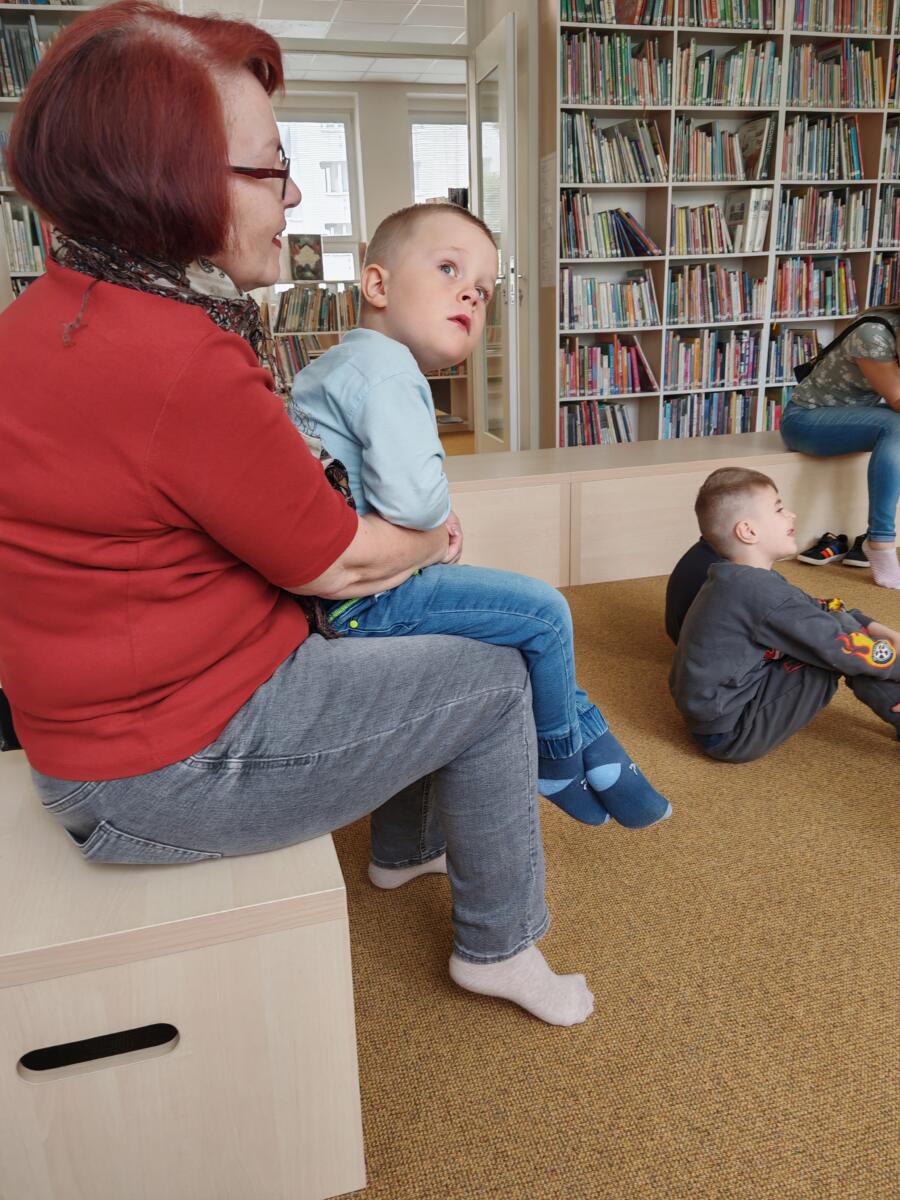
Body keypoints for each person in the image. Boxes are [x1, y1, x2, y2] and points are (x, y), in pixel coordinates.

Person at [0, 1, 595, 1027]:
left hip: (99, 733)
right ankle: (500, 942)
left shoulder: (47, 315)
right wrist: (431, 536)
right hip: (164, 765)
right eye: (271, 167)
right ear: (172, 175)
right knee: (495, 679)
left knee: (421, 650)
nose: (295, 194)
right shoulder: (180, 357)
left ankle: (407, 851)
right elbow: (337, 563)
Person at [290, 201, 671, 830]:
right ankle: (560, 756)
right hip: (371, 598)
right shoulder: (388, 371)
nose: (470, 293)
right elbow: (415, 504)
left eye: (484, 290)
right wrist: (440, 520)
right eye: (448, 268)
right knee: (545, 613)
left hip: (340, 593)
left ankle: (591, 740)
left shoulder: (335, 363)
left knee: (509, 621)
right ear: (377, 284)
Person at [670, 468, 900, 762]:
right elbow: (840, 645)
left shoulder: (736, 577)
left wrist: (875, 627)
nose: (791, 515)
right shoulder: (757, 590)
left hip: (716, 715)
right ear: (748, 531)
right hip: (731, 732)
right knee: (836, 651)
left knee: (833, 630)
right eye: (779, 509)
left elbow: (816, 608)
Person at [780, 307, 900, 589]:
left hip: (856, 418)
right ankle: (880, 541)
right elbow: (897, 399)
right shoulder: (874, 334)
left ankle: (878, 540)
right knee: (896, 426)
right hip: (806, 420)